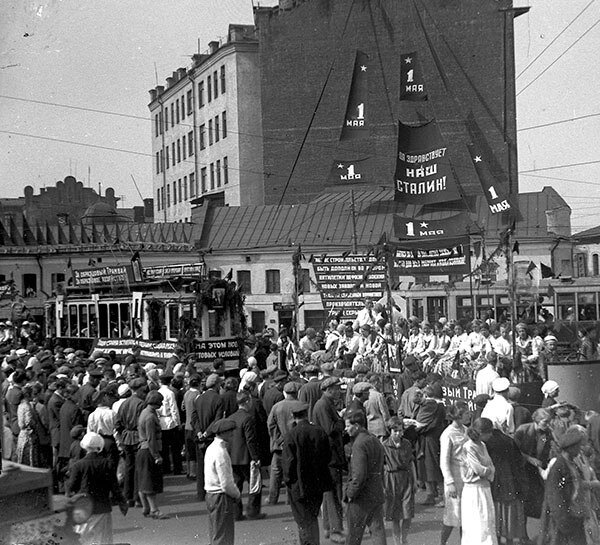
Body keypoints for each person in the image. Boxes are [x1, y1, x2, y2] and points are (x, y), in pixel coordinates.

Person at [282, 402, 333, 545]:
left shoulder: (291, 435)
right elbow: (327, 456)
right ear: (306, 414)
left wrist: (288, 481)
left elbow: (288, 464)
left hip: (299, 485)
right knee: (312, 517)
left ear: (293, 416)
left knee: (304, 521)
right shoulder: (318, 431)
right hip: (317, 483)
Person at [68, 432, 127, 545]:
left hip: (83, 508)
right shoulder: (107, 464)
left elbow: (72, 487)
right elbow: (114, 487)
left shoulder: (78, 465)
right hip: (102, 507)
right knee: (103, 540)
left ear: (85, 447)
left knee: (83, 540)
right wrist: (122, 502)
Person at [541, 425, 596, 545]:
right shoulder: (559, 467)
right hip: (564, 520)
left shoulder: (572, 464)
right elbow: (554, 495)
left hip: (576, 516)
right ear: (569, 448)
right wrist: (563, 521)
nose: (579, 450)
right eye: (577, 447)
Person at [343, 410, 387, 545]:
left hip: (361, 498)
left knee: (353, 536)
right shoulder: (374, 440)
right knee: (378, 531)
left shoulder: (358, 445)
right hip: (376, 493)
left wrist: (350, 493)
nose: (346, 429)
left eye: (348, 426)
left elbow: (358, 475)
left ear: (357, 425)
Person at [312, 376, 346, 543]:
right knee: (334, 493)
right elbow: (330, 429)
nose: (339, 391)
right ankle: (335, 530)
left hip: (328, 455)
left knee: (329, 493)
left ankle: (328, 527)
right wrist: (342, 420)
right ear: (328, 389)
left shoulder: (325, 404)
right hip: (330, 456)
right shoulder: (324, 405)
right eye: (336, 388)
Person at [460, 417, 497, 545]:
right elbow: (478, 469)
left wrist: (488, 471)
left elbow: (491, 466)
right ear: (481, 433)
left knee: (487, 521)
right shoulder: (468, 447)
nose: (491, 435)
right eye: (489, 432)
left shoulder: (483, 445)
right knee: (478, 523)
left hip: (485, 487)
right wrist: (488, 471)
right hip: (473, 490)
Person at [204, 418, 241, 545]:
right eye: (230, 432)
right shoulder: (221, 453)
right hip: (221, 497)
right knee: (224, 536)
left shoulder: (211, 448)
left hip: (211, 495)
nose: (232, 435)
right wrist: (237, 494)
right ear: (224, 433)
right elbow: (226, 483)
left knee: (216, 532)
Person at [228, 390, 264, 520]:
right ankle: (253, 511)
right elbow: (251, 440)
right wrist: (256, 457)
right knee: (254, 484)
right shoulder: (248, 418)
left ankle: (236, 513)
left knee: (236, 485)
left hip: (233, 456)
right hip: (246, 456)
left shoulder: (231, 418)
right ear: (247, 401)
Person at [439, 401, 470, 545]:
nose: (469, 415)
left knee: (467, 516)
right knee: (452, 515)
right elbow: (444, 461)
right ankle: (442, 543)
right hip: (454, 478)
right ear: (458, 416)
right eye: (466, 413)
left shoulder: (466, 430)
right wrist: (450, 482)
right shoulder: (447, 434)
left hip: (467, 478)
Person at [382, 416, 416, 545]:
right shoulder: (384, 445)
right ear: (390, 431)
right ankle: (397, 541)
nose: (398, 433)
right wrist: (382, 485)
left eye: (400, 430)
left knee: (407, 512)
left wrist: (415, 479)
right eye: (395, 431)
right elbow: (381, 466)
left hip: (406, 478)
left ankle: (404, 538)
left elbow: (411, 462)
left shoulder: (406, 443)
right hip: (391, 480)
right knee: (395, 514)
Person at [136, 390, 168, 519]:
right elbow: (151, 438)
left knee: (143, 481)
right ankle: (154, 510)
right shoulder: (150, 417)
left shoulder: (145, 412)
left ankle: (146, 507)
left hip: (143, 450)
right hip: (149, 451)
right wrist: (156, 456)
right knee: (150, 482)